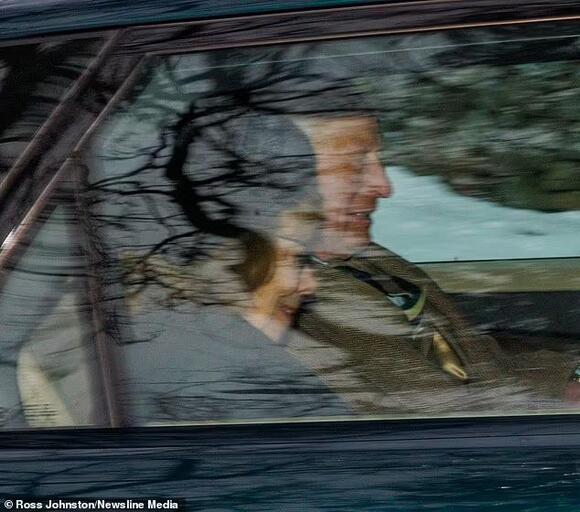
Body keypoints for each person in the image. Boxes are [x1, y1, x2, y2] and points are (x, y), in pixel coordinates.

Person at [287, 103, 578, 415]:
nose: (385, 186)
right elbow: (443, 415)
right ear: (286, 176)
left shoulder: (363, 260)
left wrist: (568, 377)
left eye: (378, 160)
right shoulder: (287, 296)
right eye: (356, 163)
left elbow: (476, 362)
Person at [120, 110, 355, 425]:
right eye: (296, 259)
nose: (310, 285)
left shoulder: (137, 346)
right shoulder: (248, 388)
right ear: (231, 255)